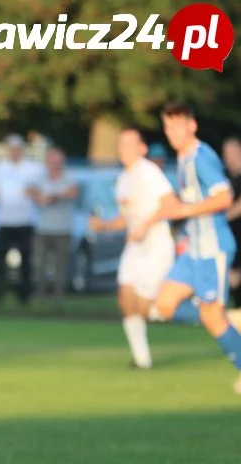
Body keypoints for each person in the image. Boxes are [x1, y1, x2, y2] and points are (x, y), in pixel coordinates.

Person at [132, 103, 241, 393]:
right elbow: (177, 205)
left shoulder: (202, 157)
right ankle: (229, 316)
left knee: (211, 317)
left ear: (192, 126)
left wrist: (185, 211)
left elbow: (224, 198)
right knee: (162, 306)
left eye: (178, 125)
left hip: (211, 248)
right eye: (168, 126)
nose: (172, 132)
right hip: (193, 251)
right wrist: (152, 221)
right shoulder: (183, 158)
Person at [89, 128, 177, 370]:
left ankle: (193, 309)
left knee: (147, 305)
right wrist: (104, 225)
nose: (123, 149)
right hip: (134, 245)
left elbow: (169, 204)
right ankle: (142, 360)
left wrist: (145, 226)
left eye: (129, 144)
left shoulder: (150, 172)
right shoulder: (124, 178)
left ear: (142, 148)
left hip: (155, 242)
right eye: (121, 144)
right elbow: (127, 218)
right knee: (126, 299)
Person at [0, 134, 45, 309]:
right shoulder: (0, 167)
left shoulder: (33, 168)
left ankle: (24, 296)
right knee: (0, 260)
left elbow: (40, 189)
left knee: (26, 261)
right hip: (5, 220)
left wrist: (32, 193)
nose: (14, 152)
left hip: (25, 220)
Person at [32, 146, 79, 305]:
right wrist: (56, 196)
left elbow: (72, 193)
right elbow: (34, 195)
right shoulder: (40, 178)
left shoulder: (69, 178)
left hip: (63, 229)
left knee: (61, 266)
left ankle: (59, 296)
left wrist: (51, 197)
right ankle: (40, 295)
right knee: (40, 265)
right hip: (43, 228)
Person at [222, 137, 241, 308]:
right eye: (226, 154)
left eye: (232, 153)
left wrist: (221, 218)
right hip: (232, 240)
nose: (229, 158)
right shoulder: (228, 179)